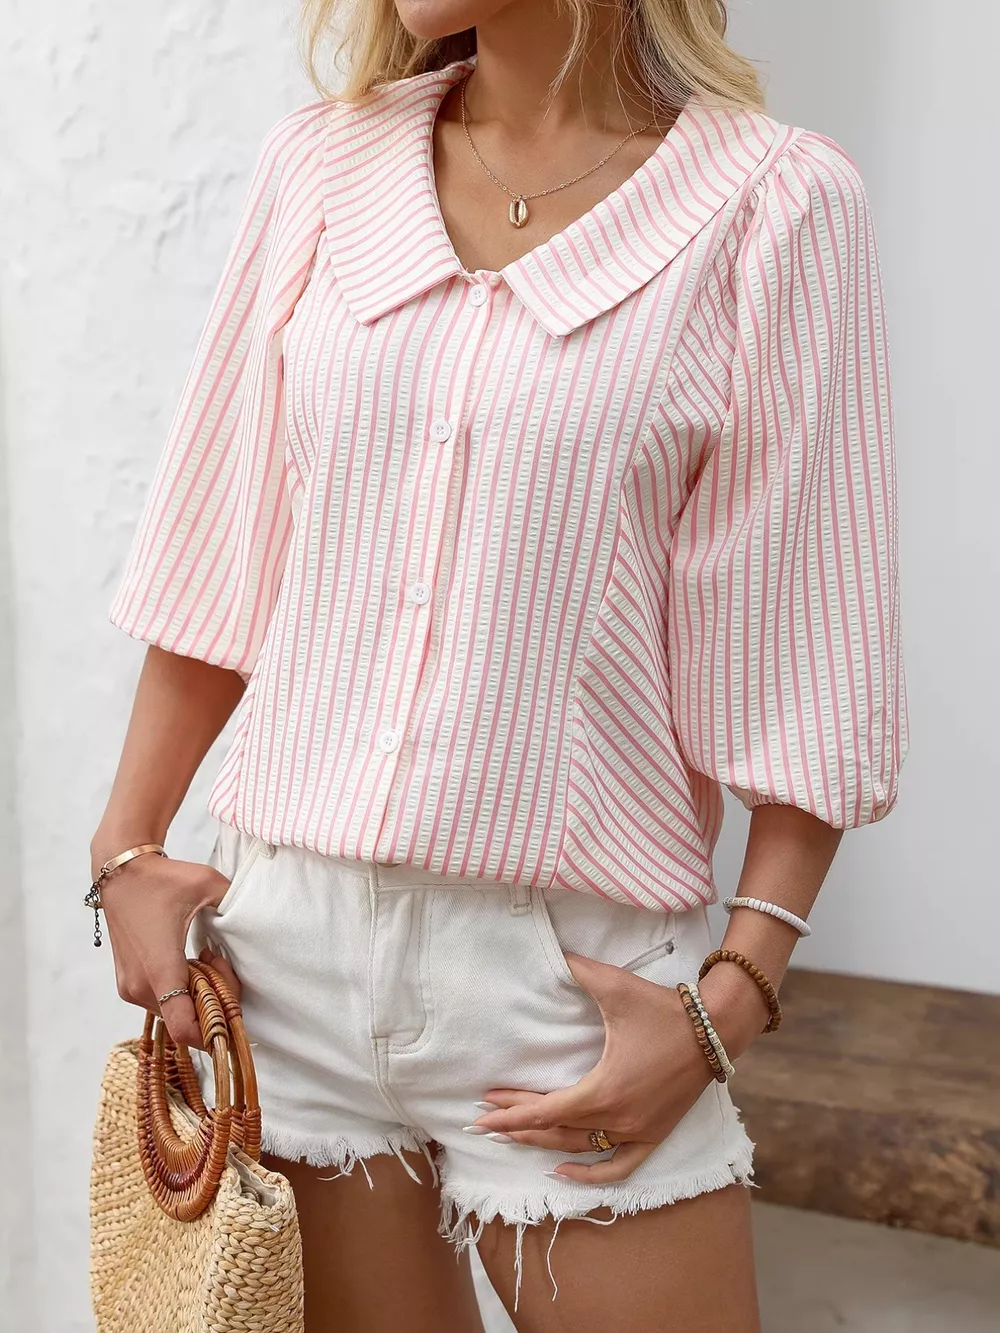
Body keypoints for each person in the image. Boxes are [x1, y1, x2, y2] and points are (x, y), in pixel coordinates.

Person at [89, 1, 907, 1329]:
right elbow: (218, 546)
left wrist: (736, 994)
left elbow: (809, 638)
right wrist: (126, 849)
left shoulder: (773, 208)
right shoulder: (323, 164)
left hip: (571, 986)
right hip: (290, 963)